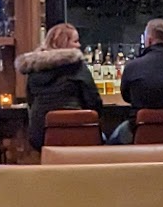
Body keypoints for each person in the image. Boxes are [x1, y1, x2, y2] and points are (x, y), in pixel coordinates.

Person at [18, 22, 102, 150]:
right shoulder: (77, 66)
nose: (79, 45)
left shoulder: (34, 68)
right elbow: (93, 100)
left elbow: (30, 101)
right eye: (75, 41)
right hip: (78, 133)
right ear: (63, 43)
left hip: (41, 135)